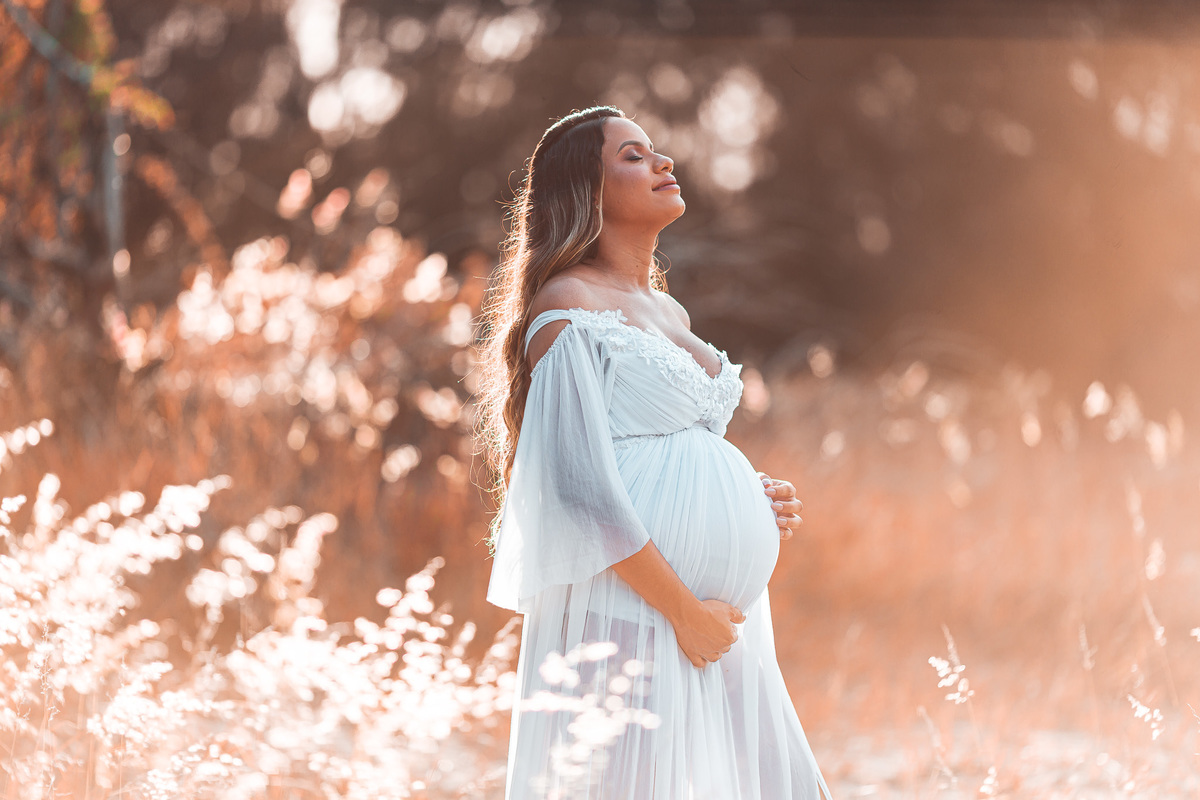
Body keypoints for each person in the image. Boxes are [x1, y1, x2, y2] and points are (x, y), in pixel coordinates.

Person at [476, 106, 832, 799]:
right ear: (588, 189)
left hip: (717, 612)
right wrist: (683, 613)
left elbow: (665, 446)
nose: (663, 162)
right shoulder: (567, 305)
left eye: (655, 150)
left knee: (784, 784)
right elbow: (578, 488)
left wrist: (746, 491)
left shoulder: (670, 313)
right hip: (637, 606)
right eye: (634, 156)